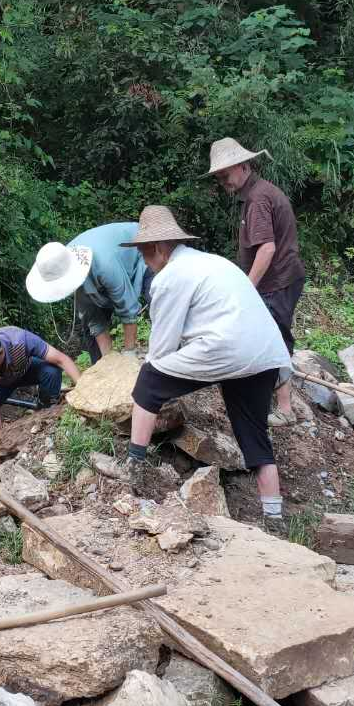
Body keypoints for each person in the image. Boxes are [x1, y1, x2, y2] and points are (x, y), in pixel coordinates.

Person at [120, 206, 291, 530]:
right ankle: (274, 516)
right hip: (266, 353)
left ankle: (134, 463)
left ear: (156, 248)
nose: (145, 262)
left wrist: (149, 365)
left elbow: (162, 348)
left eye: (144, 254)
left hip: (228, 349)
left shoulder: (170, 276)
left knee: (148, 383)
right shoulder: (214, 262)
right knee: (253, 432)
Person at [204, 137, 306, 426]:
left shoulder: (258, 199)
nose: (223, 181)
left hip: (277, 281)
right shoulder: (256, 194)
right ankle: (269, 398)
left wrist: (245, 289)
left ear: (243, 166)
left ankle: (284, 409)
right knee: (271, 335)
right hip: (278, 280)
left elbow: (267, 249)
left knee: (274, 338)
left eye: (225, 174)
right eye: (219, 177)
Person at [26, 223, 151, 364]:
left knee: (157, 301)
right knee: (90, 333)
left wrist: (129, 355)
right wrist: (109, 362)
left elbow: (127, 308)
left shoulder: (104, 265)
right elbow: (94, 320)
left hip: (142, 248)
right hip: (106, 267)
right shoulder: (57, 263)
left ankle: (168, 362)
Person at [0, 327, 82, 457]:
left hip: (24, 371)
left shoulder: (20, 340)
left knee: (51, 371)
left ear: (0, 352)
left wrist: (84, 390)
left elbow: (61, 359)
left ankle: (46, 414)